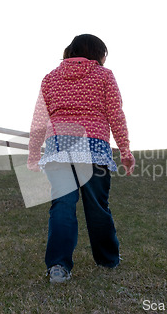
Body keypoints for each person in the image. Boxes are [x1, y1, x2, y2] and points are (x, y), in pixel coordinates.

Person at [27, 34, 135, 283]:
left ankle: (58, 266)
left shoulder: (50, 78)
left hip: (59, 148)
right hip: (93, 147)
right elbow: (115, 114)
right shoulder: (104, 76)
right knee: (97, 206)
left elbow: (39, 119)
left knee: (62, 205)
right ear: (96, 53)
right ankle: (108, 260)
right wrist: (125, 151)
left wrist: (34, 153)